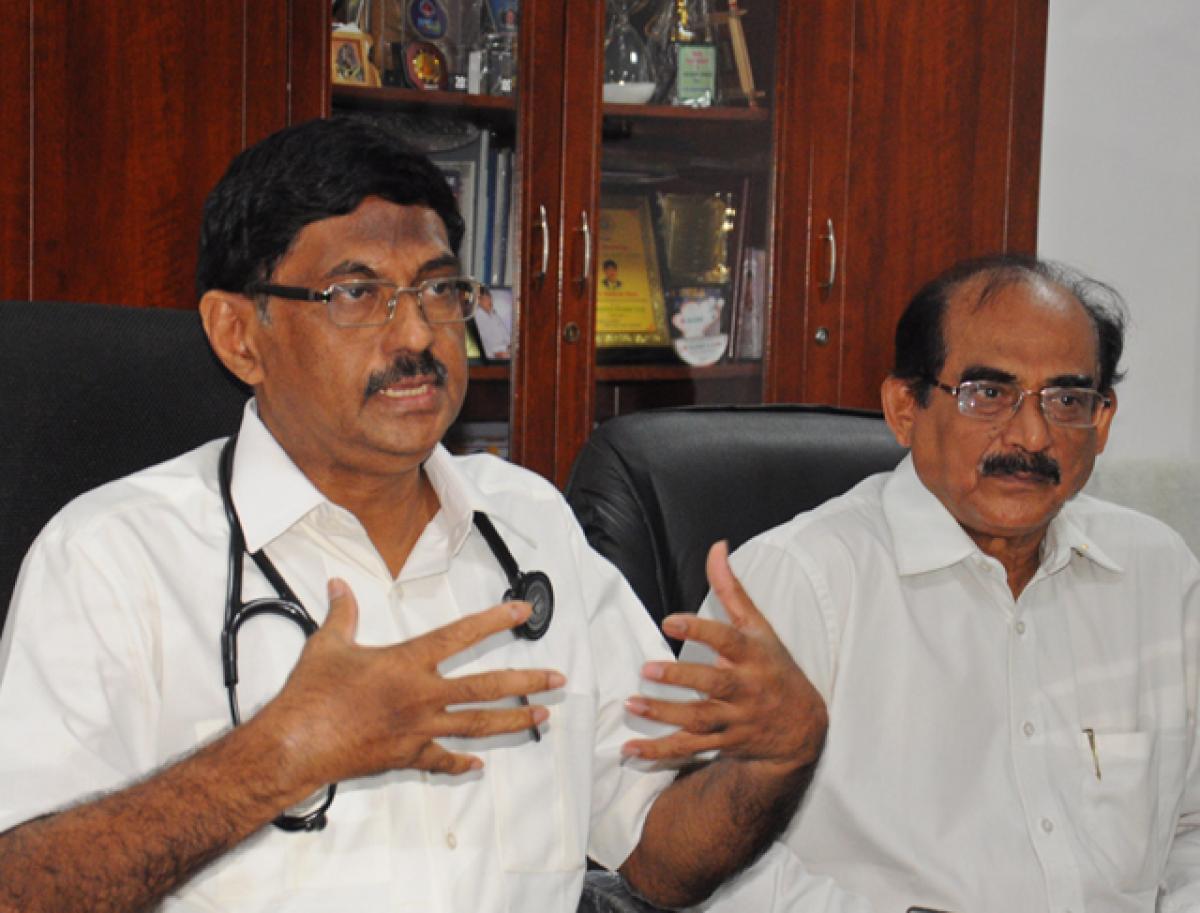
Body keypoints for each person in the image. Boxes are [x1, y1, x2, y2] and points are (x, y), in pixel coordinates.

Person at [0, 115, 826, 913]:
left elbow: (658, 856)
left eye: (438, 289)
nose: (419, 335)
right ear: (238, 335)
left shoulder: (529, 526)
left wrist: (774, 761)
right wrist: (276, 756)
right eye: (357, 293)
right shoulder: (112, 556)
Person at [687, 254, 1200, 912]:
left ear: (1101, 422)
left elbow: (1190, 828)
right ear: (905, 408)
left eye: (1067, 399)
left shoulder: (1159, 573)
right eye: (988, 393)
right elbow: (702, 859)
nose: (1032, 433)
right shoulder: (800, 580)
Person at [472, 285, 511, 359]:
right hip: (492, 357)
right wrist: (496, 353)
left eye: (490, 297)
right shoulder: (476, 318)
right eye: (486, 298)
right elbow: (482, 344)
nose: (490, 301)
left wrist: (510, 346)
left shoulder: (494, 314)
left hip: (505, 352)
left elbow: (505, 335)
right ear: (479, 300)